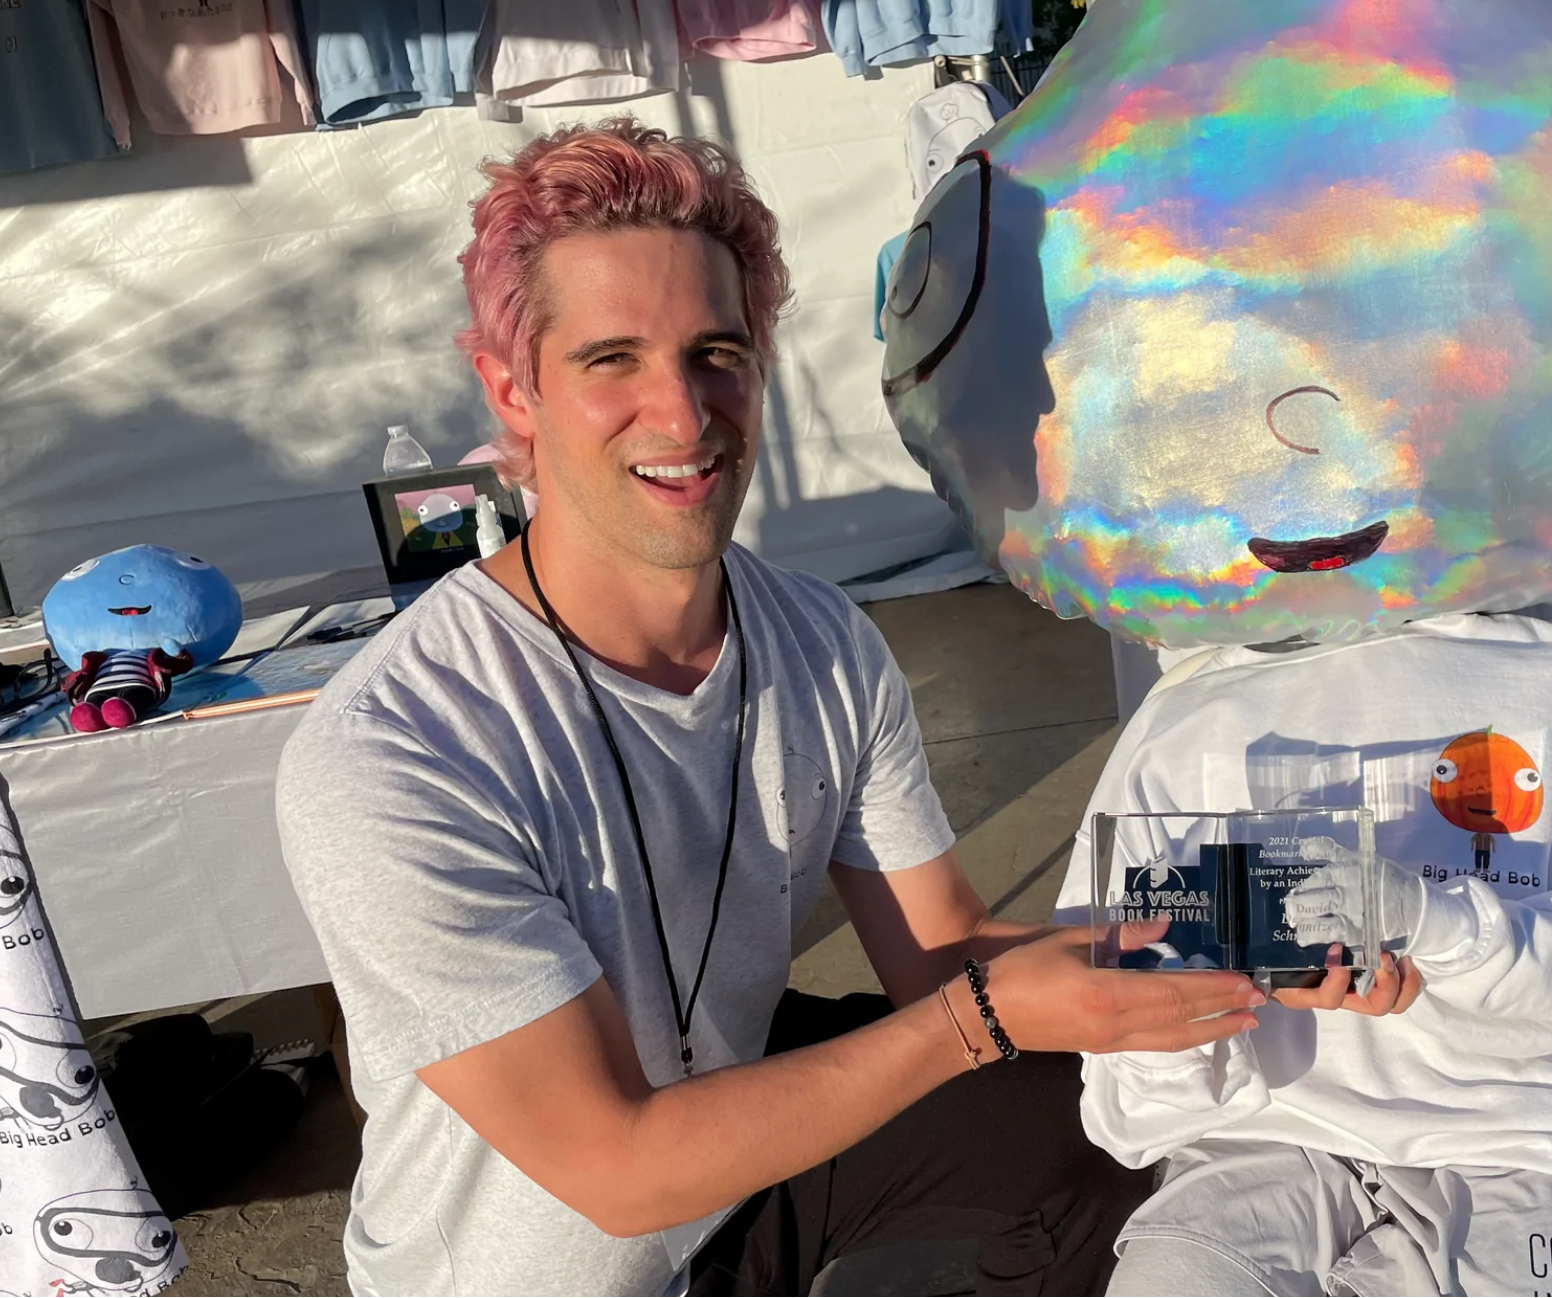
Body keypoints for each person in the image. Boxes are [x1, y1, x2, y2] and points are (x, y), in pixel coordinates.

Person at [275, 117, 1268, 1297]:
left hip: (731, 1184)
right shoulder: (397, 752)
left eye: (715, 352)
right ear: (513, 389)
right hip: (538, 1266)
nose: (685, 414)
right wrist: (985, 1017)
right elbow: (617, 1166)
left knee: (1097, 1119)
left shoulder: (821, 640)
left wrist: (1260, 930)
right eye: (611, 361)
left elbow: (940, 950)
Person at [1056, 615, 1552, 1297]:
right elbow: (1112, 1027)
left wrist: (1439, 925)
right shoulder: (1183, 723)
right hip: (1258, 1141)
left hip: (1535, 1140)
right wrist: (1212, 994)